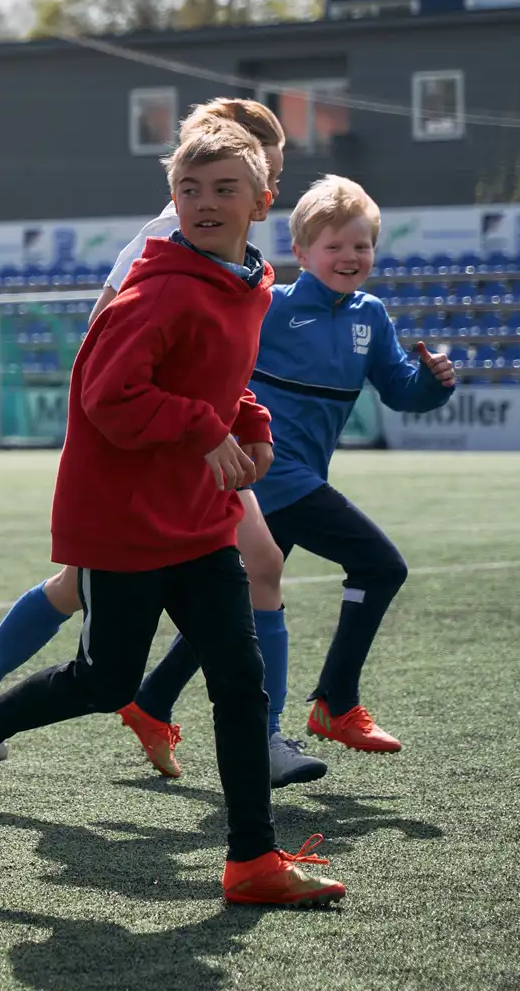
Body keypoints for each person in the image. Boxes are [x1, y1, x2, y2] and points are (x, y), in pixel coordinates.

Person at [0, 118, 347, 909]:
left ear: (263, 199)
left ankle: (252, 859)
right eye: (188, 189)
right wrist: (205, 427)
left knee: (240, 681)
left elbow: (220, 383)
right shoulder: (161, 287)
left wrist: (249, 424)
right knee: (104, 680)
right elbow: (107, 396)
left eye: (224, 190)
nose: (204, 203)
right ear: (170, 197)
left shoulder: (248, 280)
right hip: (123, 519)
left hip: (197, 516)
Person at [126, 175, 455, 763]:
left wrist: (432, 384)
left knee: (239, 596)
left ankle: (151, 699)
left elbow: (402, 391)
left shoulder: (372, 316)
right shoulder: (270, 305)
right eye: (333, 247)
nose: (349, 258)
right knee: (380, 566)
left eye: (361, 246)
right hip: (268, 472)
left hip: (301, 479)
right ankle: (335, 702)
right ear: (301, 253)